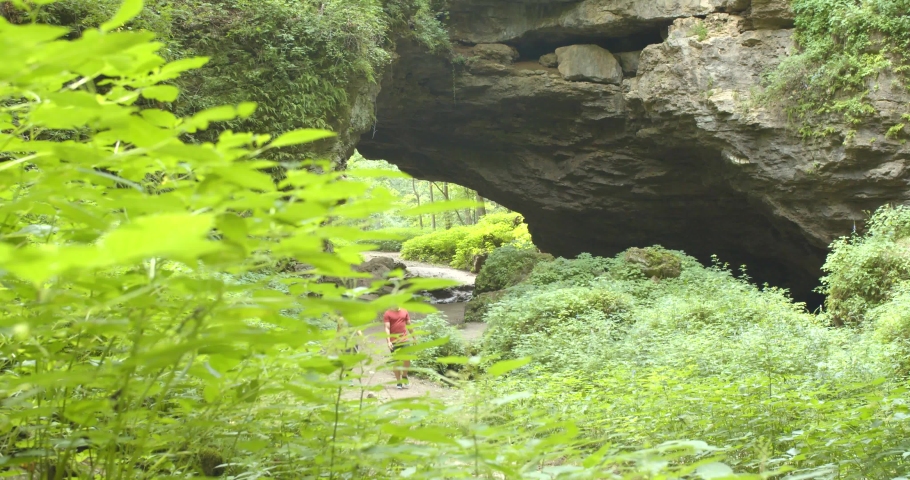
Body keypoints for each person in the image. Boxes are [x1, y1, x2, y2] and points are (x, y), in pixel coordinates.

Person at [382, 306, 412, 389]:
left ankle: (405, 375)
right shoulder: (388, 313)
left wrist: (414, 336)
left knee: (407, 359)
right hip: (394, 341)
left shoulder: (404, 311)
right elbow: (387, 328)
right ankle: (399, 381)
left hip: (405, 339)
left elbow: (409, 324)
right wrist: (388, 341)